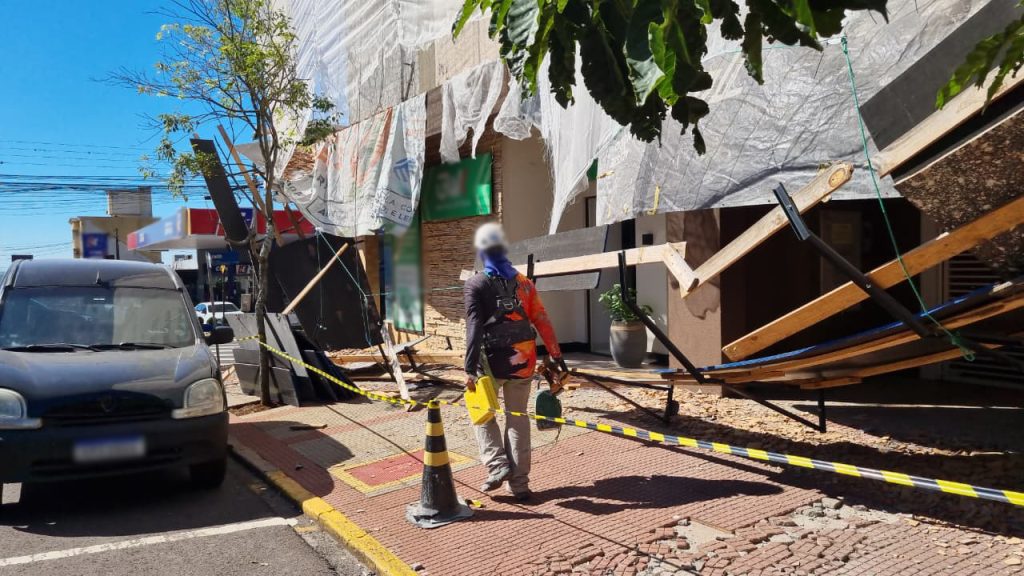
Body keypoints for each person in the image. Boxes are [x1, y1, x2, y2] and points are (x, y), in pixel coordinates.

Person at [463, 222, 563, 502]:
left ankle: (497, 465)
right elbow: (542, 319)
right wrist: (556, 355)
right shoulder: (524, 284)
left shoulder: (476, 284)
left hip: (490, 363)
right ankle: (519, 485)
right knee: (517, 419)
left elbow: (474, 327)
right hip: (524, 360)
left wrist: (469, 368)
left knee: (481, 413)